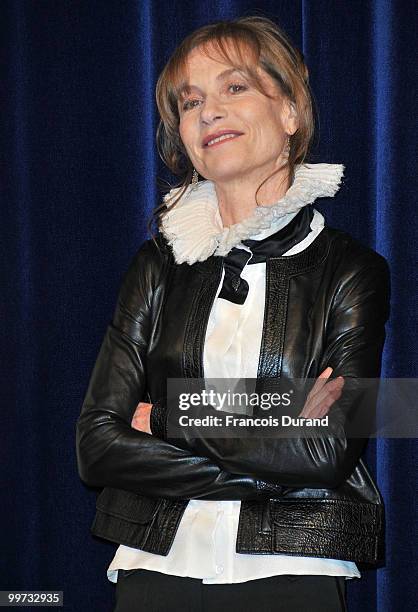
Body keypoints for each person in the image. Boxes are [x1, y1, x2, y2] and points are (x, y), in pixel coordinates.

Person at [76, 16, 390, 612]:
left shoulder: (354, 269)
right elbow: (97, 445)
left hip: (294, 566)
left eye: (235, 87)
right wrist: (278, 436)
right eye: (191, 101)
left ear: (291, 112)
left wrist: (170, 414)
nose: (209, 111)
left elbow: (328, 450)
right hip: (155, 563)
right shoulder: (155, 265)